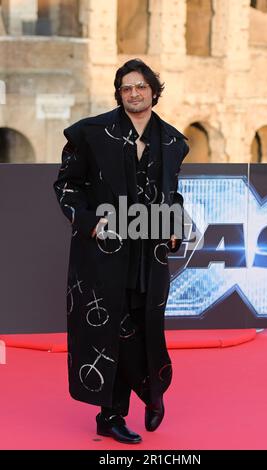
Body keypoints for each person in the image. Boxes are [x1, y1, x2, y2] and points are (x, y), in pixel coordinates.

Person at [53, 59, 189, 444]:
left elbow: (171, 194)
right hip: (104, 253)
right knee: (109, 330)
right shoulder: (91, 134)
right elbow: (66, 185)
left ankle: (150, 391)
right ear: (119, 93)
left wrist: (175, 224)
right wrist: (89, 221)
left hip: (149, 253)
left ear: (153, 92)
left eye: (140, 87)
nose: (133, 93)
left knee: (143, 327)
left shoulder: (173, 141)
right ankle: (116, 412)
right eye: (126, 88)